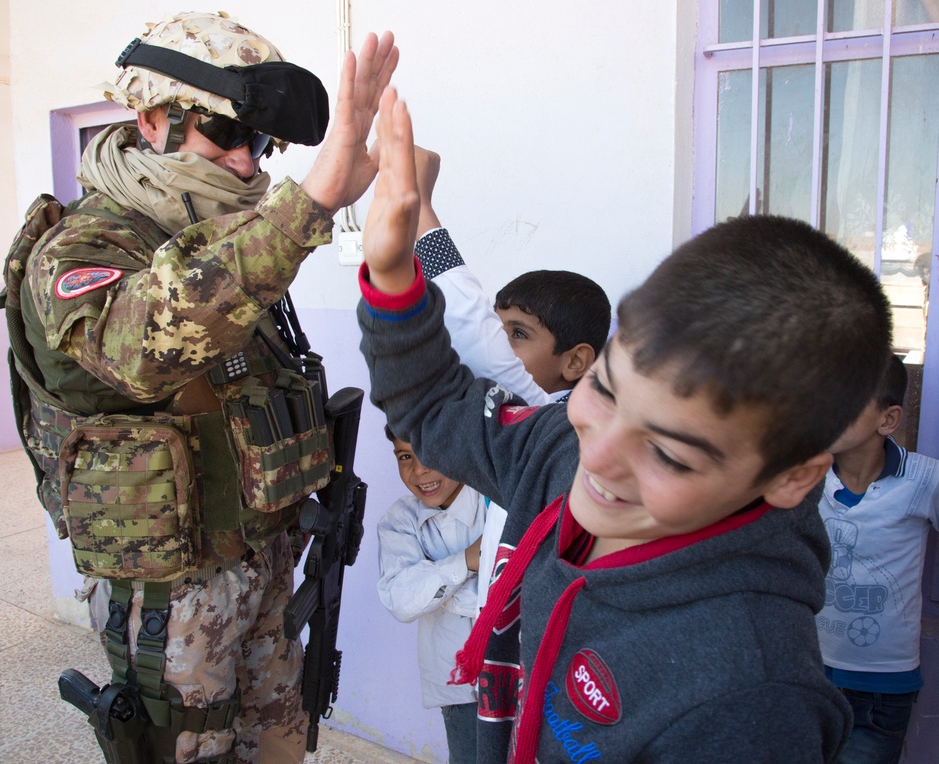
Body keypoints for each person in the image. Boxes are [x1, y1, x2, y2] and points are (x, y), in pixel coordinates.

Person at [357, 87, 895, 763]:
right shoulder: (558, 443)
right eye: (606, 392)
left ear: (793, 476)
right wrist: (390, 268)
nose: (599, 457)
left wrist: (425, 228)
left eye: (668, 453)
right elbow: (435, 397)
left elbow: (463, 317)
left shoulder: (746, 702)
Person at [8, 12, 397, 763]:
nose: (249, 167)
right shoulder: (82, 247)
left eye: (261, 146)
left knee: (278, 743)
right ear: (154, 118)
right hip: (171, 593)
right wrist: (309, 204)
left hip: (262, 557)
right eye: (228, 136)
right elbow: (142, 344)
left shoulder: (219, 236)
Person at [411, 148, 611, 612]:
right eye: (499, 329)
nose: (500, 345)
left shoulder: (558, 425)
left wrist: (418, 204)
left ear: (576, 362)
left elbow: (469, 329)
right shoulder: (533, 421)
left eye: (517, 334)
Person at [818, 353, 939, 764]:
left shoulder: (923, 480)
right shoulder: (805, 477)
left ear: (887, 421)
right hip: (807, 671)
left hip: (883, 689)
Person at [376, 425, 486, 764]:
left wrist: (437, 591)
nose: (419, 469)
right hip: (457, 690)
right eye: (405, 456)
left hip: (520, 676)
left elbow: (512, 592)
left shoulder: (495, 503)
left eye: (431, 451)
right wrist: (468, 561)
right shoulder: (401, 520)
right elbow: (401, 600)